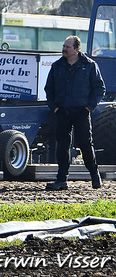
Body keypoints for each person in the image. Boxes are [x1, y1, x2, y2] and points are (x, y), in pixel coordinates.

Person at [44, 35, 105, 191]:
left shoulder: (90, 66)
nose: (64, 49)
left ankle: (94, 175)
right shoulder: (57, 66)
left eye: (67, 47)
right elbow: (49, 88)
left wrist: (89, 107)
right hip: (62, 111)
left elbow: (99, 88)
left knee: (85, 143)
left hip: (81, 111)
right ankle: (61, 180)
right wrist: (54, 107)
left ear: (77, 49)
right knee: (62, 146)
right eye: (64, 46)